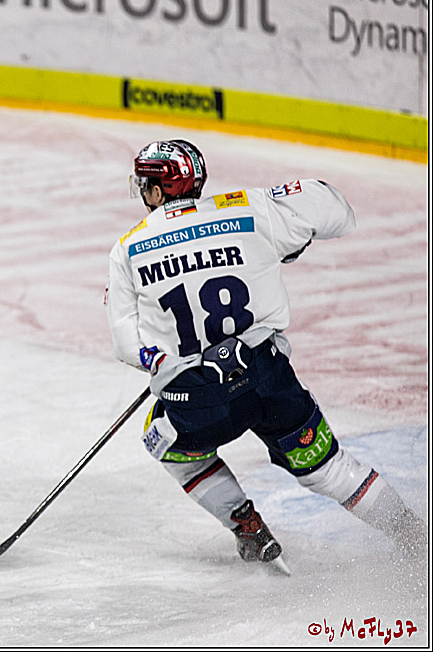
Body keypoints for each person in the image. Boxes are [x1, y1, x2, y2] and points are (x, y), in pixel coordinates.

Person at [105, 139, 425, 569]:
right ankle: (414, 537)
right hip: (269, 378)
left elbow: (128, 347)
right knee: (329, 469)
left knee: (165, 443)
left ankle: (248, 527)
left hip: (199, 403)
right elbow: (336, 212)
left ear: (159, 191)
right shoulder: (247, 208)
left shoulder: (128, 248)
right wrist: (283, 228)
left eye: (145, 186)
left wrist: (163, 367)